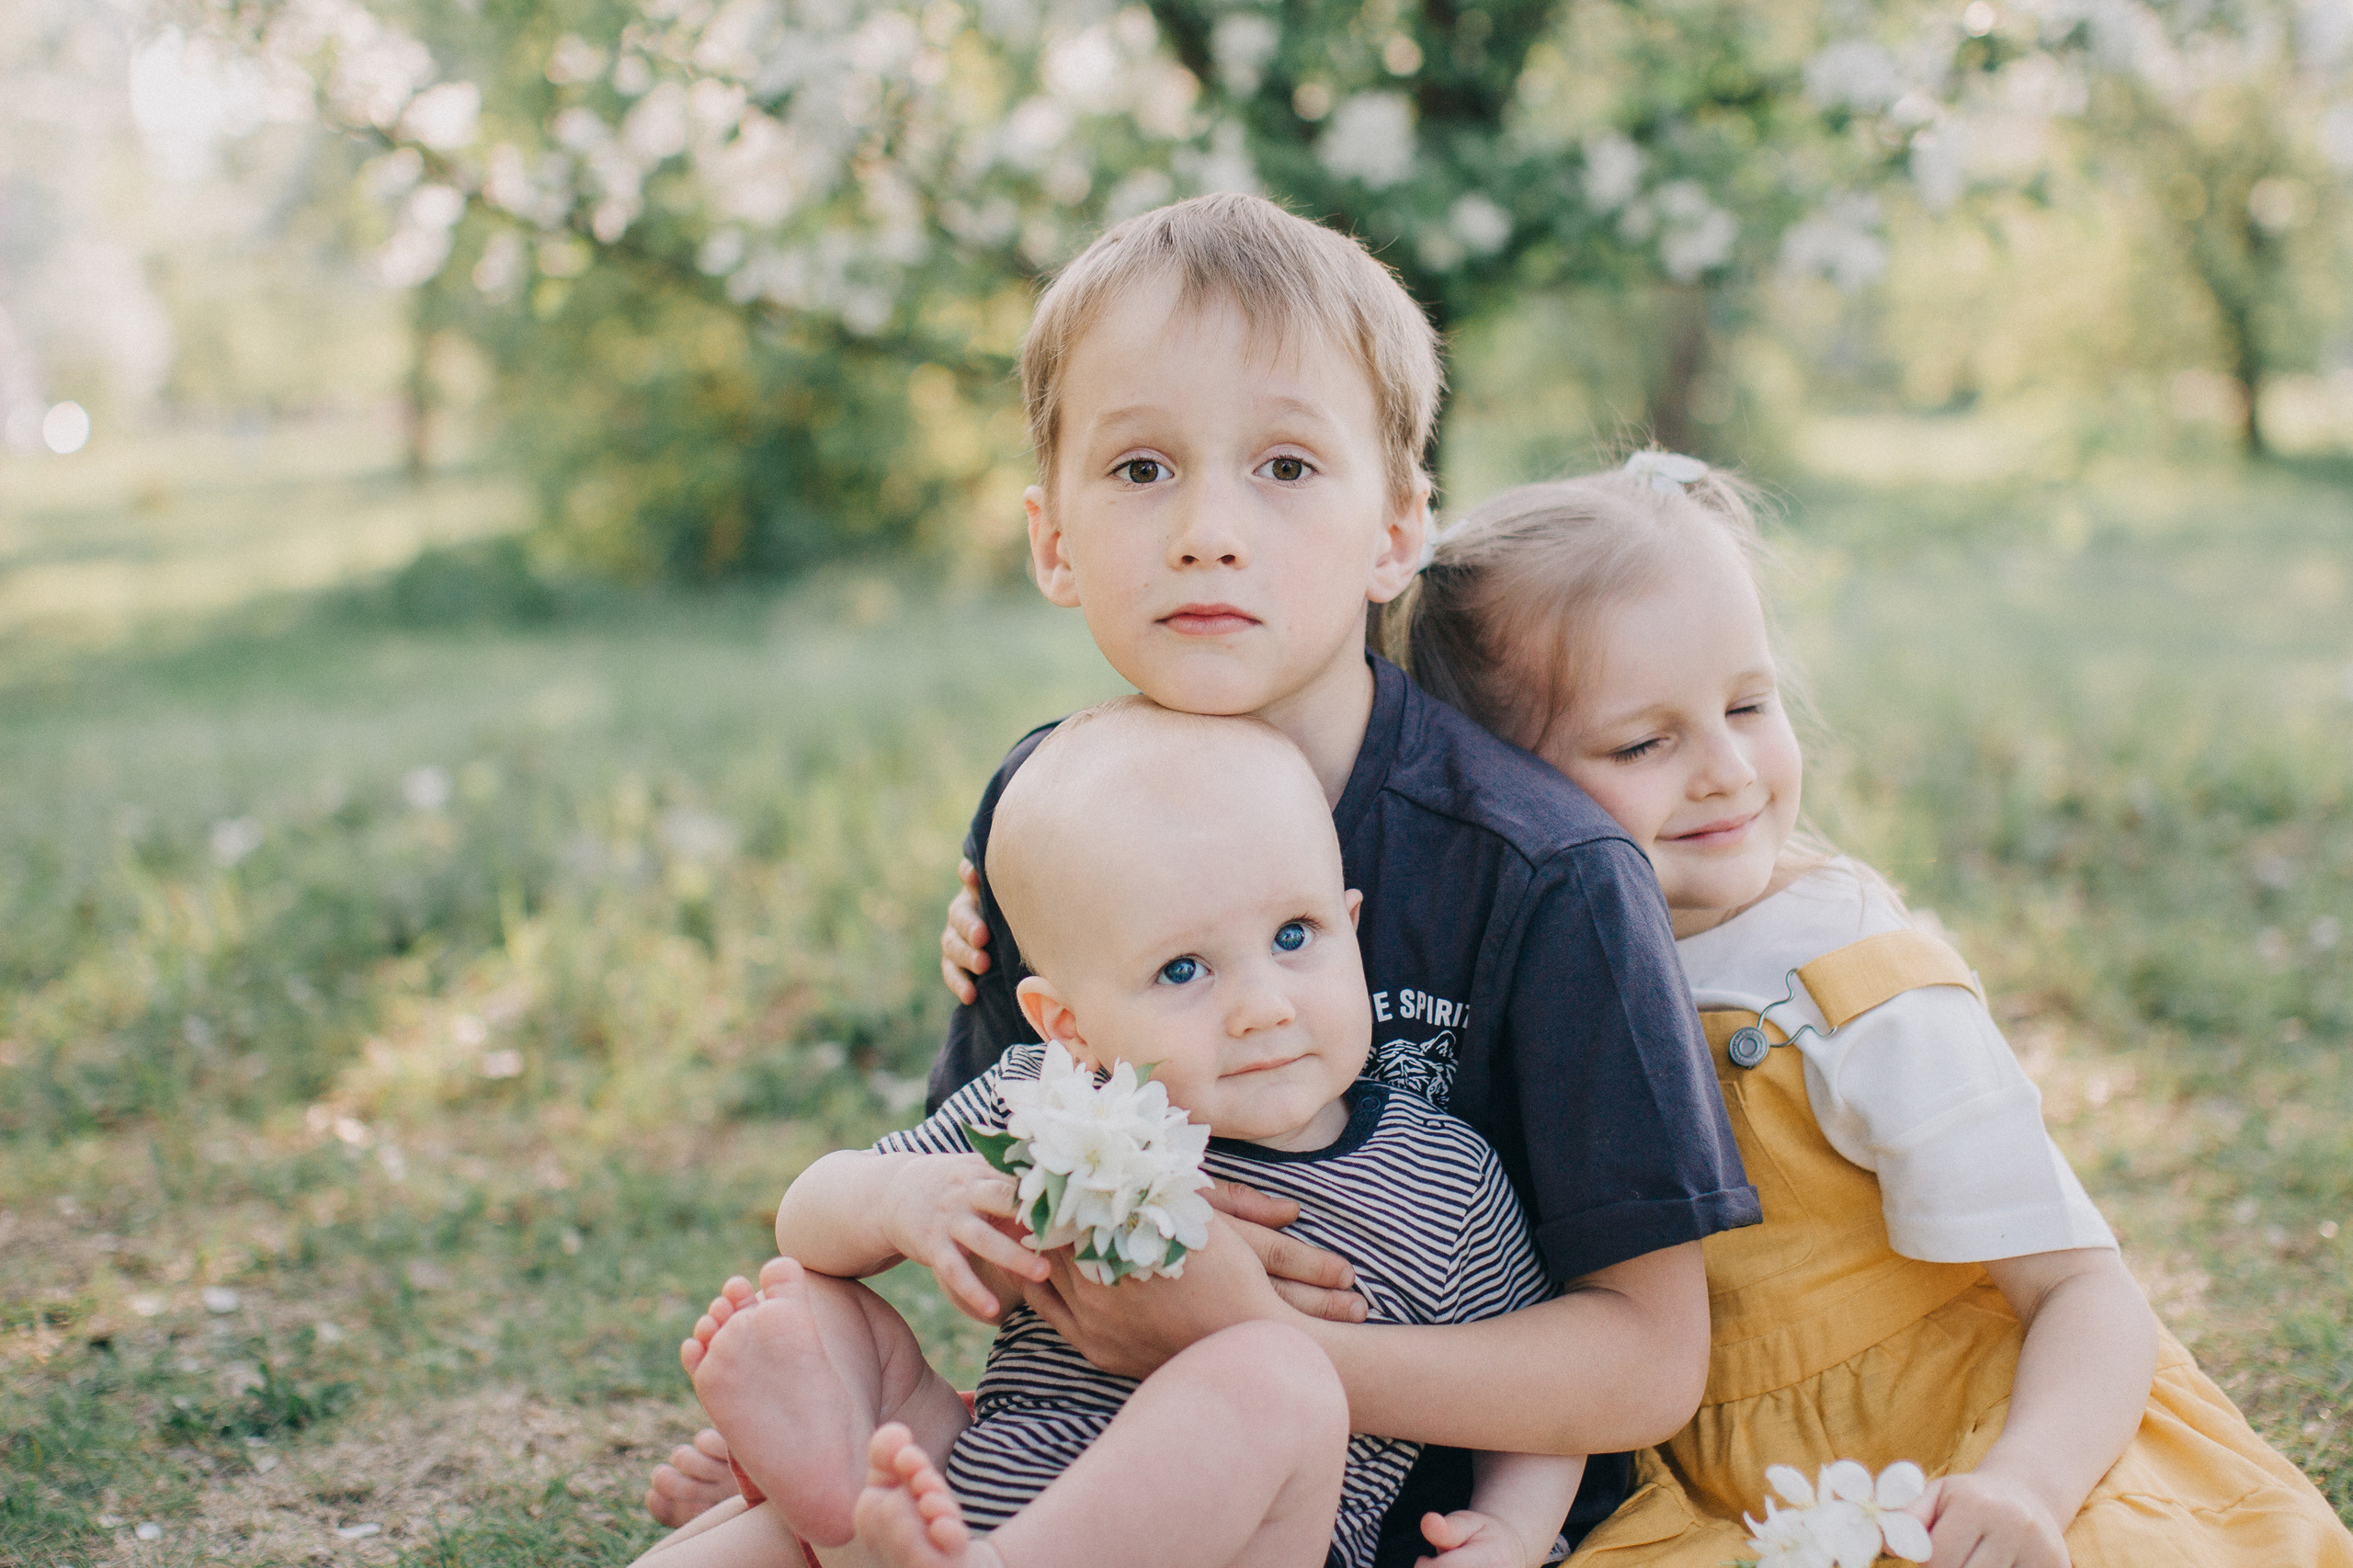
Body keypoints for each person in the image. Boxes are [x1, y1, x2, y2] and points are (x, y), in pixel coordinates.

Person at [647, 192, 1761, 1562]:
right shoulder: (1049, 814)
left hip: (1387, 1504)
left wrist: (1253, 1333)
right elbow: (1000, 1190)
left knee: (1246, 1397)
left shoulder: (1544, 871)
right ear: (1053, 538)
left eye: (1287, 466)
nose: (1207, 530)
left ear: (1398, 528)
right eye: (1141, 470)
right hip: (1063, 1463)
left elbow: (1647, 1362)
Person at [1376, 454, 2353, 1567]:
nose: (1727, 769)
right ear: (1500, 785)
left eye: (1748, 703)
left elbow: (2087, 1291)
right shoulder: (1524, 988)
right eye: (1644, 742)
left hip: (1966, 1448)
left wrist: (2026, 1482)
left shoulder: (1846, 981)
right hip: (1711, 1499)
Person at [639, 700, 1585, 1568]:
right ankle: (844, 1512)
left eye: (1294, 936)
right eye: (1183, 968)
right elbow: (807, 1218)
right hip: (963, 1496)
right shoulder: (1051, 1105)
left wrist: (1509, 1530)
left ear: (1351, 926)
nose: (1261, 1005)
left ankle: (846, 1533)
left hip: (1239, 1537)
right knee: (815, 1300)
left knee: (1277, 1376)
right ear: (1069, 1026)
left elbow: (1540, 1403)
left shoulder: (1443, 1176)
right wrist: (900, 1197)